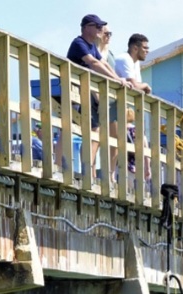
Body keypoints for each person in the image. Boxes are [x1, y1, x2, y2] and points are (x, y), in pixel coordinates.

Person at [65, 15, 128, 175]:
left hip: (86, 90)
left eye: (102, 27)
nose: (100, 30)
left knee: (94, 130)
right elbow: (93, 64)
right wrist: (116, 79)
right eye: (97, 26)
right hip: (74, 90)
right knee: (68, 128)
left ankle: (90, 171)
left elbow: (103, 63)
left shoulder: (91, 45)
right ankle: (72, 167)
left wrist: (117, 79)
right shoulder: (79, 43)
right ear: (86, 27)